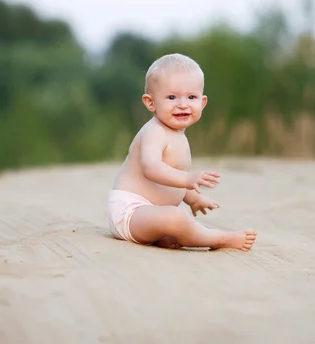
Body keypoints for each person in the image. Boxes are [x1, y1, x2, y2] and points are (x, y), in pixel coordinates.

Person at [108, 53, 257, 251]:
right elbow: (151, 168)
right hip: (131, 213)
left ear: (202, 103)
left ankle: (166, 235)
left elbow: (173, 180)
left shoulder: (178, 136)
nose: (183, 104)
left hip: (151, 214)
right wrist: (188, 179)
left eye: (191, 97)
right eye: (172, 97)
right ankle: (219, 239)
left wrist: (193, 198)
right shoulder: (154, 131)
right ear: (151, 103)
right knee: (176, 217)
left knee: (175, 218)